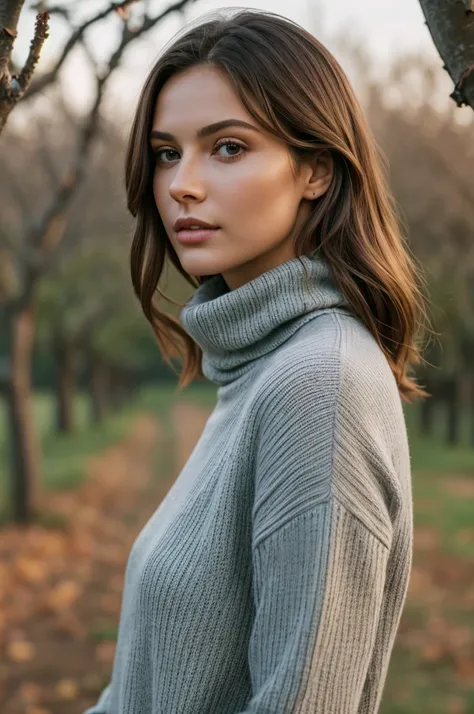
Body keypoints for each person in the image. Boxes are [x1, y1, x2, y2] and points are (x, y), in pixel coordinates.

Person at [84, 8, 431, 714]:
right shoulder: (260, 369)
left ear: (315, 169)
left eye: (229, 147)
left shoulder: (319, 384)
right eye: (165, 153)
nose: (182, 183)